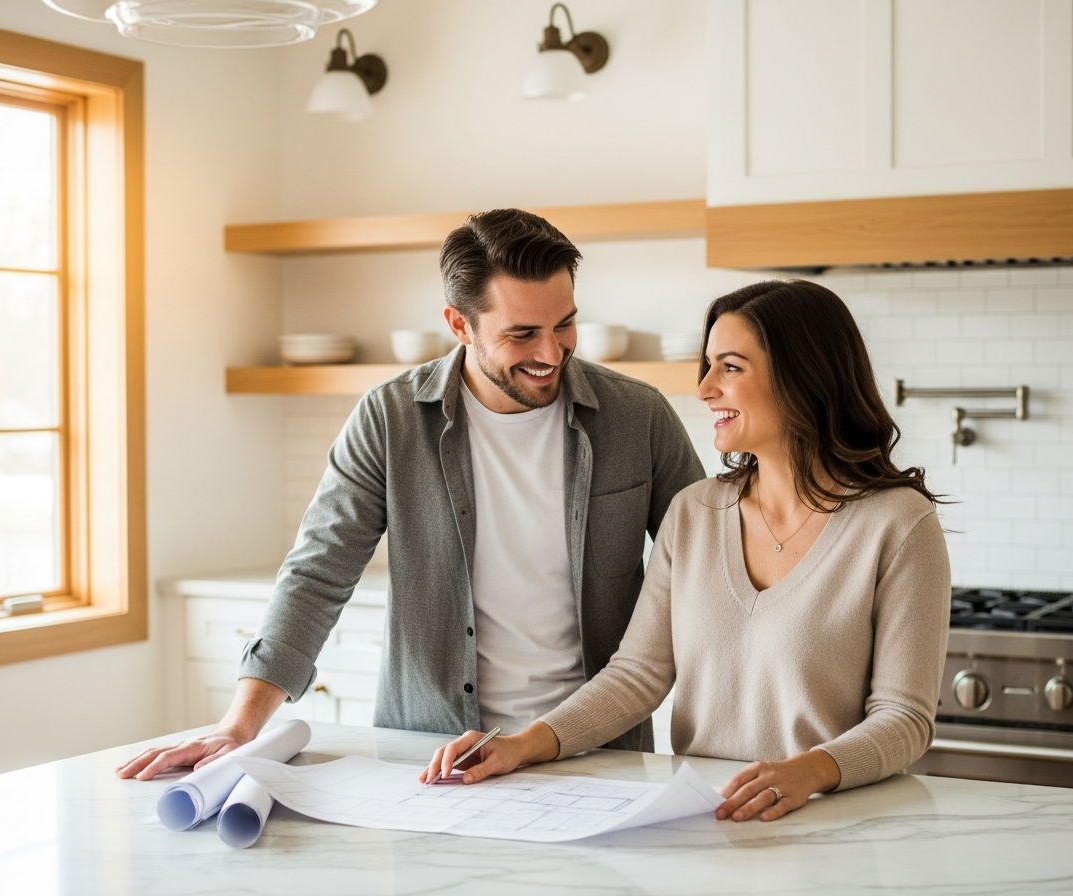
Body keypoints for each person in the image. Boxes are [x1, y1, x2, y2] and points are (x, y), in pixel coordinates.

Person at [117, 209, 704, 780]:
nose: (550, 354)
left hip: (596, 752)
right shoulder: (390, 417)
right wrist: (239, 727)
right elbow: (318, 571)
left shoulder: (638, 416)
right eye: (522, 334)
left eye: (564, 324)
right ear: (459, 324)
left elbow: (709, 568)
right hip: (428, 755)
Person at [422, 279, 951, 824]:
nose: (704, 389)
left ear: (803, 377)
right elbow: (638, 674)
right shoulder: (695, 512)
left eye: (730, 367)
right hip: (706, 819)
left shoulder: (898, 525)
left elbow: (904, 717)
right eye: (707, 366)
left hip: (836, 821)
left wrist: (809, 771)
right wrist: (523, 744)